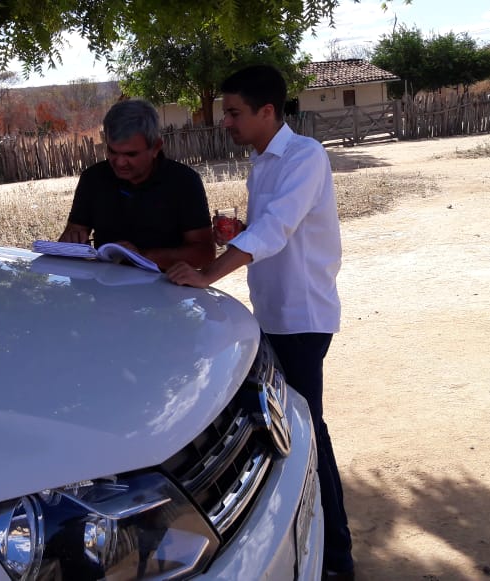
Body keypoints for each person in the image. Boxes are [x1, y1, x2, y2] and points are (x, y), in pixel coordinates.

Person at [165, 65, 355, 580]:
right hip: (271, 313)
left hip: (302, 316)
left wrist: (208, 273)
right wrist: (237, 232)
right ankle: (319, 545)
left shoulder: (304, 156)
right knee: (290, 428)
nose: (225, 121)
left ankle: (336, 557)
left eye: (233, 112)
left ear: (267, 111)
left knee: (308, 433)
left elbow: (276, 229)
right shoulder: (262, 160)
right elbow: (266, 231)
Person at [58, 99, 214, 270]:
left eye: (131, 154)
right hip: (106, 283)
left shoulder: (184, 181)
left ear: (156, 147)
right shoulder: (93, 178)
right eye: (112, 151)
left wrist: (140, 257)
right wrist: (71, 242)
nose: (120, 162)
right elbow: (72, 233)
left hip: (166, 283)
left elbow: (204, 254)